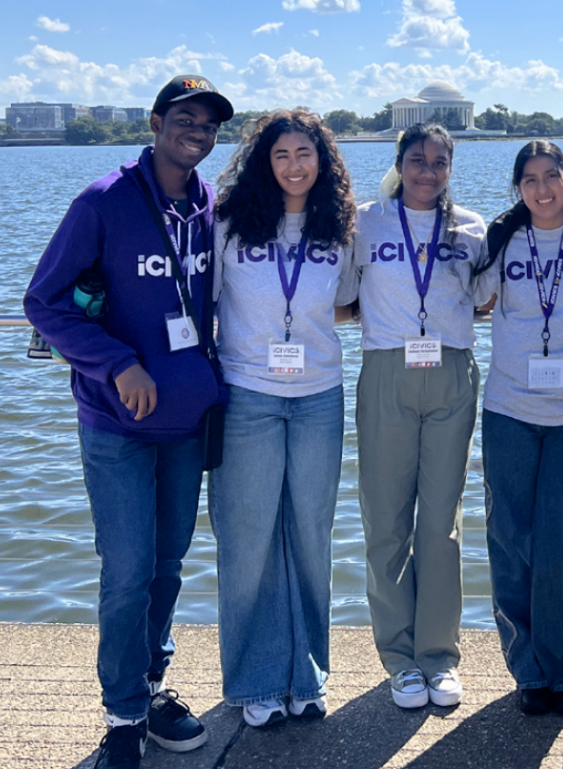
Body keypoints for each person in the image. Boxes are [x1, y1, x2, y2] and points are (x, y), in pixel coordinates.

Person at [24, 76, 234, 768]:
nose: (196, 130)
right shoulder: (104, 200)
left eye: (207, 123)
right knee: (127, 567)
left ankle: (148, 683)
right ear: (154, 121)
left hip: (184, 418)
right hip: (117, 418)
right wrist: (116, 362)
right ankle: (120, 713)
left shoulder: (208, 207)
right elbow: (44, 301)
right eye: (184, 118)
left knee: (168, 563)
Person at [208, 110, 358, 727]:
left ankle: (308, 674)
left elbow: (348, 304)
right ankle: (254, 681)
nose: (294, 165)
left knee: (309, 536)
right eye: (281, 155)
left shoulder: (339, 229)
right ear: (262, 163)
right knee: (247, 541)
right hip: (248, 396)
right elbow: (205, 301)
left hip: (320, 396)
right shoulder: (227, 224)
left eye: (305, 153)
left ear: (322, 161)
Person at [474, 141, 563, 716]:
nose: (541, 188)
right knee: (511, 541)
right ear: (518, 187)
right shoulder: (501, 240)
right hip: (508, 408)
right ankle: (526, 668)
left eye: (551, 175)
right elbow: (476, 298)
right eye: (529, 179)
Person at [351, 123, 487, 709]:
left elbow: (485, 299)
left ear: (450, 167)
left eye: (437, 162)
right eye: (415, 160)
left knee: (441, 522)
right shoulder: (365, 220)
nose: (425, 172)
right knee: (386, 521)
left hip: (452, 373)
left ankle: (438, 655)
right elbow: (338, 293)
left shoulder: (472, 228)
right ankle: (399, 658)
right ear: (398, 164)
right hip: (387, 370)